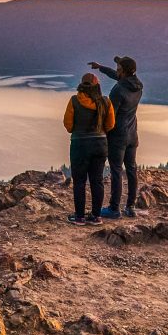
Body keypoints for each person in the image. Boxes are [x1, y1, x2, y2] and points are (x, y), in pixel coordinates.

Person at [88, 56, 143, 218]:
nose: (117, 70)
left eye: (119, 68)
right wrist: (101, 68)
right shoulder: (137, 86)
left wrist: (100, 131)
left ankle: (114, 209)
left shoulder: (118, 90)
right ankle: (130, 207)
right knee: (131, 169)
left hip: (118, 137)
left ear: (124, 71)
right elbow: (120, 77)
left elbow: (109, 114)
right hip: (132, 134)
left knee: (116, 170)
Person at [63, 73, 115, 225]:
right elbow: (110, 125)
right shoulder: (106, 101)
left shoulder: (74, 100)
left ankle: (79, 217)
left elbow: (68, 125)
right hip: (100, 145)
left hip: (80, 145)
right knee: (96, 180)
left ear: (82, 84)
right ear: (97, 85)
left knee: (79, 181)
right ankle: (96, 216)